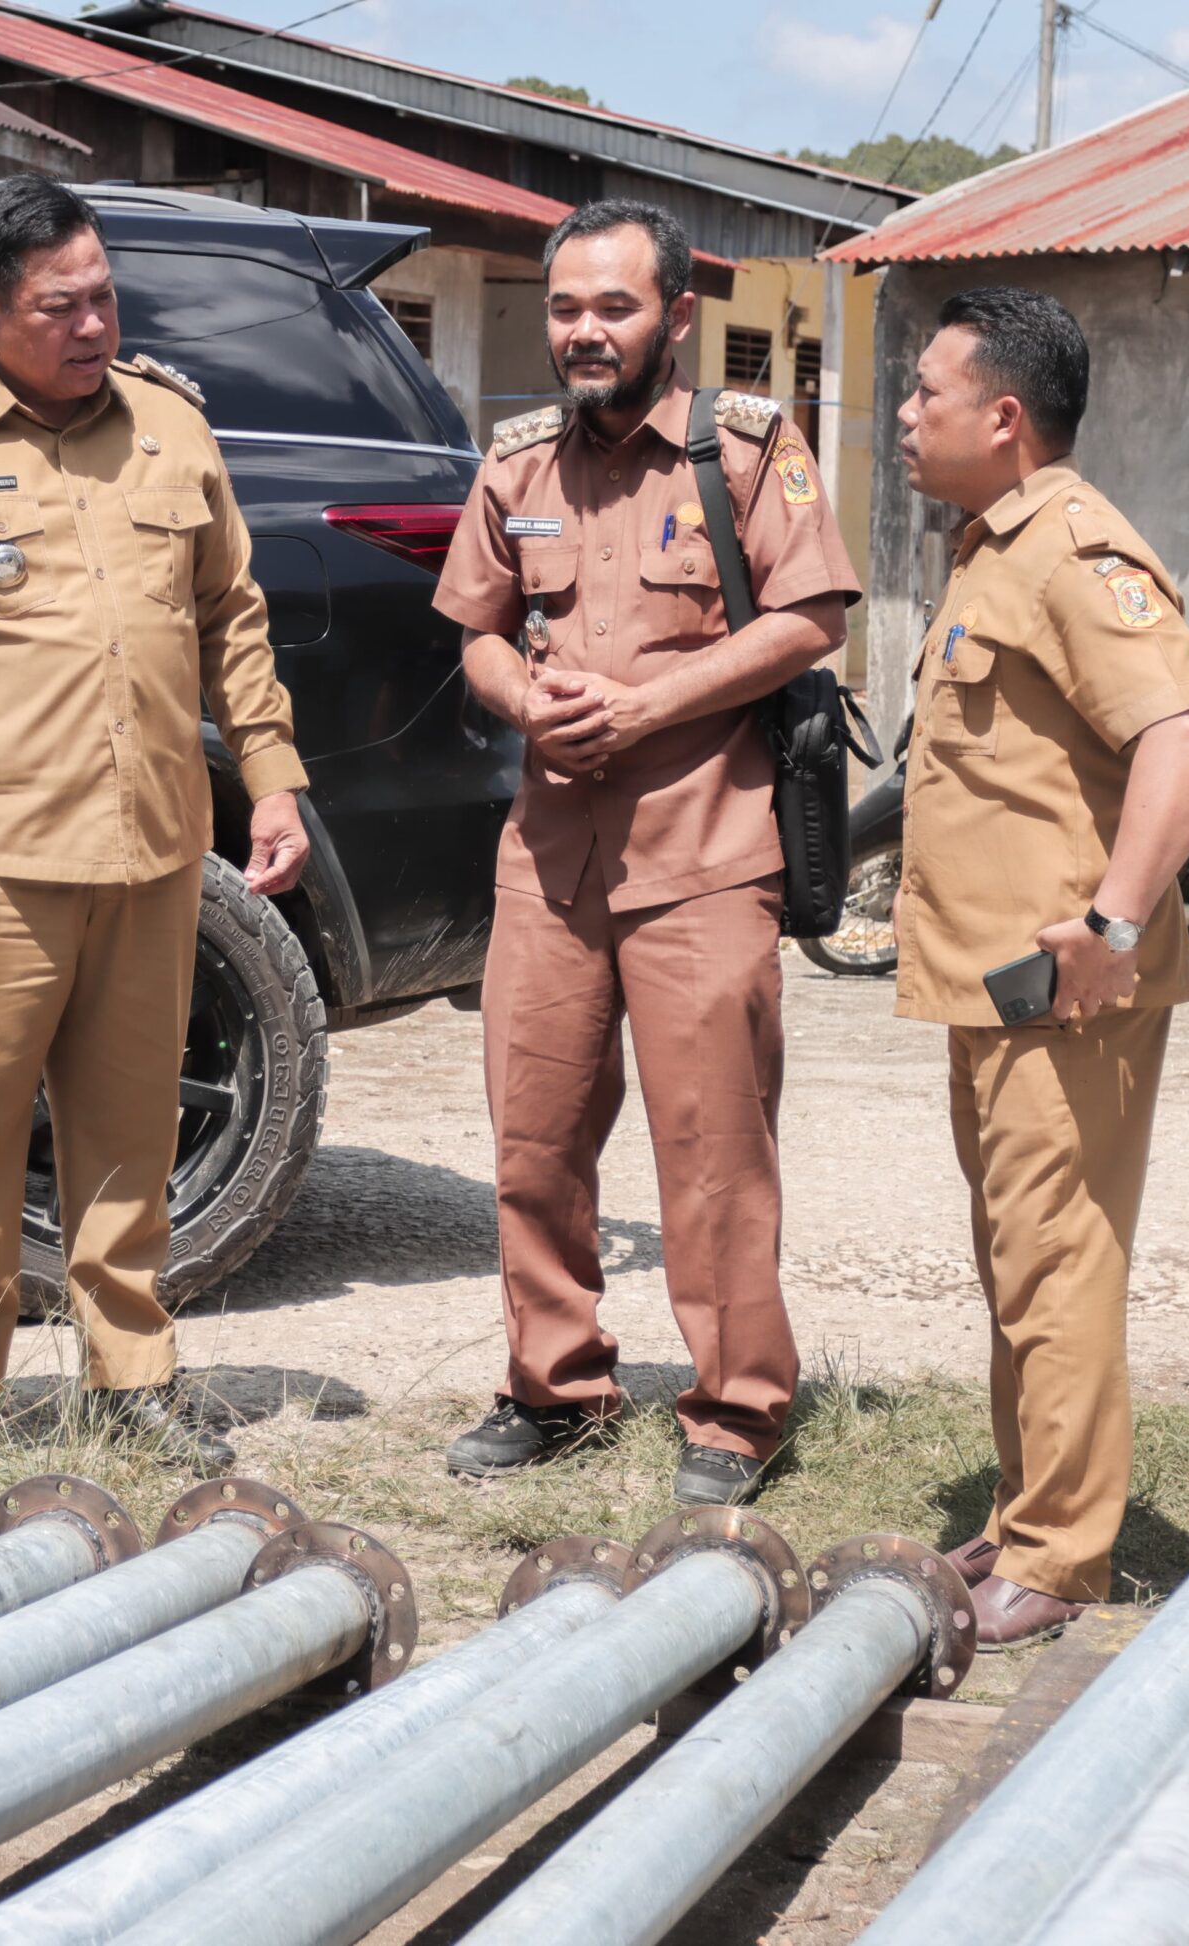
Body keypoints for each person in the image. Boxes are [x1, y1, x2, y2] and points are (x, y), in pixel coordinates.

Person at [0, 173, 311, 1471]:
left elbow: (232, 617)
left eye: (104, 297)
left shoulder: (172, 429)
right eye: (59, 307)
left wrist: (278, 773)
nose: (91, 326)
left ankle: (131, 1367)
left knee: (132, 1122)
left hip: (150, 843)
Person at [432, 199, 858, 1506]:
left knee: (712, 1144)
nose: (584, 331)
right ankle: (556, 1385)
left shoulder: (748, 451)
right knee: (534, 1141)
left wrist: (649, 705)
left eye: (613, 307)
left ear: (675, 316)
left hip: (707, 852)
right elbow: (479, 632)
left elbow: (811, 619)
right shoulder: (516, 469)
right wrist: (524, 699)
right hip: (550, 860)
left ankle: (735, 1406)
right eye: (566, 308)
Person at [893, 287, 1189, 1649]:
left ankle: (1061, 1553)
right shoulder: (991, 549)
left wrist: (1118, 925)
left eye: (926, 394)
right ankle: (1029, 1509)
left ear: (1005, 416)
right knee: (1017, 1263)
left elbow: (1187, 737)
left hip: (1065, 992)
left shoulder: (1074, 549)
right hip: (996, 991)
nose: (906, 415)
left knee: (1061, 1262)